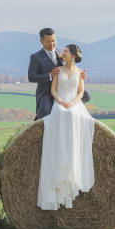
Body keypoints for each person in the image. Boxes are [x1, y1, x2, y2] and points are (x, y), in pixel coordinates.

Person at [36, 44, 95, 210]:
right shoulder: (57, 70)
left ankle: (71, 152)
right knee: (61, 113)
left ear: (73, 55)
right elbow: (53, 90)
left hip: (74, 102)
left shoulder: (80, 73)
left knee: (74, 114)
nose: (63, 53)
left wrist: (73, 102)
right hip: (60, 101)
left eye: (66, 51)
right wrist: (61, 102)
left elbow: (81, 92)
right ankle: (61, 150)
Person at [27, 28, 88, 120]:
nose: (52, 44)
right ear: (41, 41)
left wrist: (79, 75)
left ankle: (71, 106)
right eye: (48, 41)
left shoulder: (62, 52)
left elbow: (71, 65)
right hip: (47, 91)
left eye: (53, 41)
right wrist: (49, 75)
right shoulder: (35, 57)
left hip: (64, 88)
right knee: (44, 111)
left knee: (87, 95)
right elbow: (31, 77)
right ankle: (40, 118)